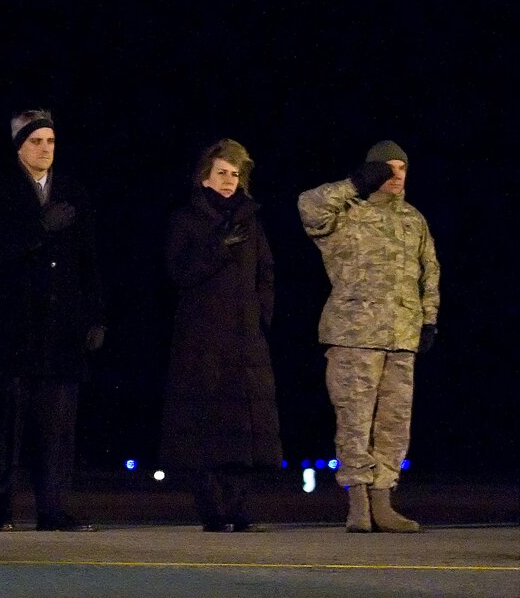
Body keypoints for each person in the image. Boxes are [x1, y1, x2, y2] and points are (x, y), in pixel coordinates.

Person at [298, 141, 440, 534]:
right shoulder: (347, 213)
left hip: (402, 336)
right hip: (353, 334)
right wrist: (355, 184)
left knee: (395, 423)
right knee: (354, 421)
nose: (396, 175)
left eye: (401, 168)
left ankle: (383, 501)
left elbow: (429, 272)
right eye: (386, 168)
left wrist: (428, 320)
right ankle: (358, 502)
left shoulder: (414, 220)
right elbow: (308, 205)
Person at [0, 109, 107, 531]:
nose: (45, 149)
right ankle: (2, 510)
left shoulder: (72, 191)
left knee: (58, 427)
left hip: (62, 329)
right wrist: (38, 229)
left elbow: (90, 259)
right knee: (9, 425)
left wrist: (95, 316)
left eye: (50, 141)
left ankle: (53, 508)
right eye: (36, 141)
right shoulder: (0, 192)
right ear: (19, 146)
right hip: (15, 327)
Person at [159, 140, 281, 531]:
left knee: (244, 428)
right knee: (206, 425)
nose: (229, 181)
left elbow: (266, 271)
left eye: (235, 174)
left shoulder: (251, 219)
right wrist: (217, 247)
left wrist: (261, 316)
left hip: (245, 340)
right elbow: (179, 272)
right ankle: (212, 510)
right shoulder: (186, 218)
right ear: (205, 177)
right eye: (222, 173)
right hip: (202, 341)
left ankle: (238, 508)